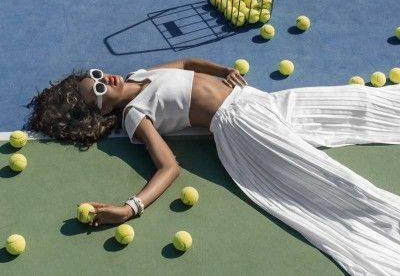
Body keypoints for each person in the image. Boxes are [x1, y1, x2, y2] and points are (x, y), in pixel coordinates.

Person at [24, 56, 400, 275]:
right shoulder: (134, 116)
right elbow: (169, 166)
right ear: (101, 113)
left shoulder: (141, 74)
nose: (103, 79)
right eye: (99, 91)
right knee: (329, 182)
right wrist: (128, 209)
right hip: (241, 128)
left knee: (358, 103)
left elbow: (187, 63)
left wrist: (223, 71)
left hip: (255, 100)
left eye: (94, 76)